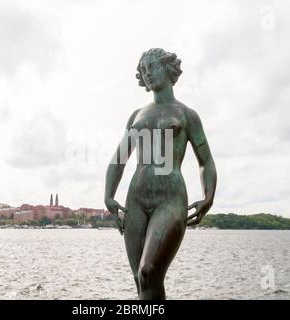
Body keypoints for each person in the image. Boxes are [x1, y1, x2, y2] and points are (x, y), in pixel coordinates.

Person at [104, 48, 217, 300]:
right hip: (135, 201)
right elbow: (119, 159)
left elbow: (205, 161)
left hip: (170, 199)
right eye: (143, 70)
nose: (148, 73)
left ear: (168, 68)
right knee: (138, 278)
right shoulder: (137, 116)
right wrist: (108, 195)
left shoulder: (186, 115)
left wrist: (208, 196)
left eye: (152, 66)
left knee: (149, 271)